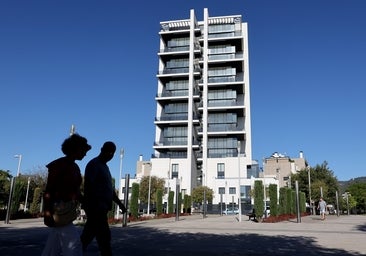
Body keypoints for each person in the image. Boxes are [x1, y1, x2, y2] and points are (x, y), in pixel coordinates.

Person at [42, 134, 92, 256]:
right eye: (84, 150)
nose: (85, 154)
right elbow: (49, 190)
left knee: (53, 247)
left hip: (66, 211)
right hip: (58, 210)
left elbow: (76, 190)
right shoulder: (59, 166)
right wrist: (47, 212)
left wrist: (85, 202)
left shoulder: (75, 167)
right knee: (74, 244)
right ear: (75, 149)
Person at [80, 141, 126, 256]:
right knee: (103, 238)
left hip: (101, 208)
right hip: (96, 208)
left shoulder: (105, 167)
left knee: (91, 236)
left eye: (112, 153)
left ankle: (74, 252)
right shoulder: (94, 165)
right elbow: (89, 187)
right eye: (108, 151)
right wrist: (89, 207)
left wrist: (120, 204)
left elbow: (109, 190)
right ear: (102, 149)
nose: (110, 155)